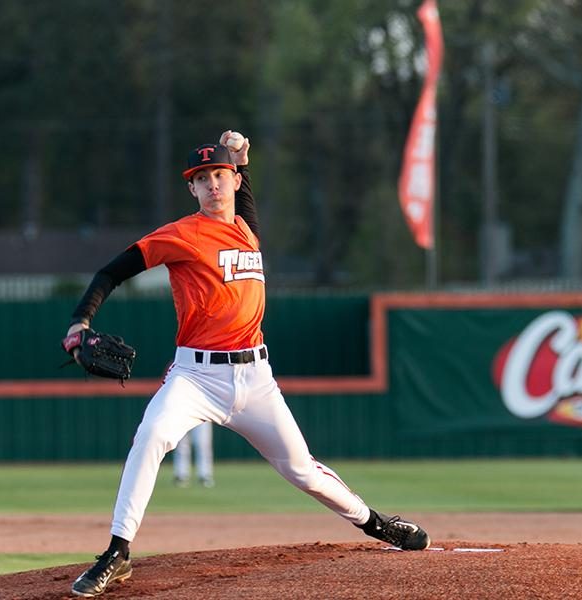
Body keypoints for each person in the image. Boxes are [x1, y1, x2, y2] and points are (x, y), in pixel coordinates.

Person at [62, 131, 430, 598]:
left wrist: (243, 161)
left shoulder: (245, 228)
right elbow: (111, 272)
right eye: (201, 179)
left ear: (233, 180)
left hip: (256, 380)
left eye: (219, 174)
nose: (212, 184)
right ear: (192, 190)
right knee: (150, 437)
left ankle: (377, 524)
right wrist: (80, 321)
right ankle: (117, 552)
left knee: (301, 469)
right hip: (196, 376)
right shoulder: (181, 235)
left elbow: (244, 206)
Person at [172, 421, 214, 488]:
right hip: (181, 412)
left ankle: (205, 475)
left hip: (202, 412)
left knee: (203, 444)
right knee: (181, 445)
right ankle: (181, 475)